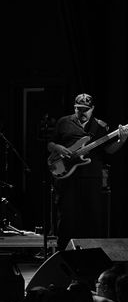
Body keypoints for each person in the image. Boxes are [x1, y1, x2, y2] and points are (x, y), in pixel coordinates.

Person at [47, 93, 127, 250]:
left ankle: (91, 254)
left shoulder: (100, 126)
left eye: (86, 109)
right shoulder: (63, 122)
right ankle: (63, 253)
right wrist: (57, 147)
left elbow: (109, 150)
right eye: (79, 109)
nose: (82, 112)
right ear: (74, 108)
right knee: (66, 217)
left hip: (91, 177)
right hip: (66, 177)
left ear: (92, 109)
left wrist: (121, 140)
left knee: (92, 217)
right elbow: (50, 143)